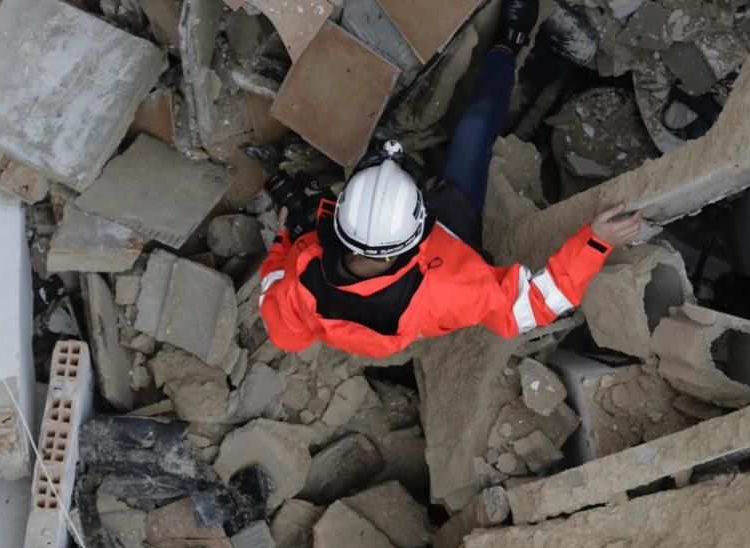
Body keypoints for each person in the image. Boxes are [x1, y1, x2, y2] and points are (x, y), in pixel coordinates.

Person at [259, 0, 643, 359]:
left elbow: (285, 334)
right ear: (417, 231)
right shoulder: (449, 291)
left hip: (395, 265)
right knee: (474, 129)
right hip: (452, 242)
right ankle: (510, 41)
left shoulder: (302, 281)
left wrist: (283, 241)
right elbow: (530, 307)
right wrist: (596, 243)